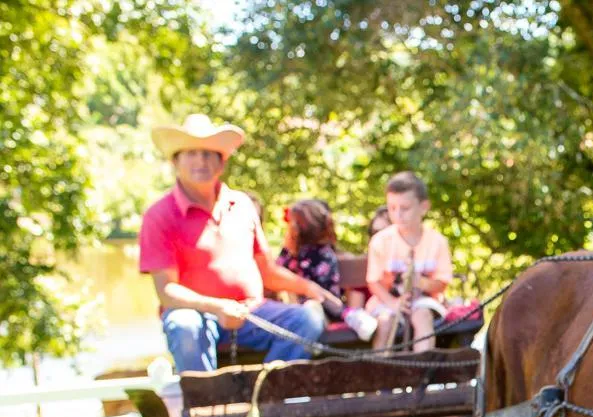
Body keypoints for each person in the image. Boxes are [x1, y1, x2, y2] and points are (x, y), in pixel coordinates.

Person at [138, 113, 337, 371]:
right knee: (184, 325)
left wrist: (309, 288)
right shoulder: (159, 215)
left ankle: (268, 391)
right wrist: (218, 307)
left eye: (208, 154)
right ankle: (205, 397)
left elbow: (266, 271)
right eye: (192, 153)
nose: (201, 161)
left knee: (307, 319)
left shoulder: (241, 204)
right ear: (176, 161)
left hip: (251, 312)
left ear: (222, 162)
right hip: (196, 314)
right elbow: (166, 290)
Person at [366, 172, 452, 352]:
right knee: (385, 322)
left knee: (422, 317)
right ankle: (379, 366)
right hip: (388, 301)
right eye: (392, 208)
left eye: (405, 208)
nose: (398, 214)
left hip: (424, 300)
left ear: (423, 207)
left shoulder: (437, 242)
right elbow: (373, 281)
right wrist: (393, 302)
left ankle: (421, 365)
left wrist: (420, 282)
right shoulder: (380, 241)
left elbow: (442, 283)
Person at [276, 198, 377, 340]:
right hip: (293, 310)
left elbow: (324, 294)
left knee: (311, 308)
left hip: (322, 312)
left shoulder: (324, 255)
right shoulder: (289, 252)